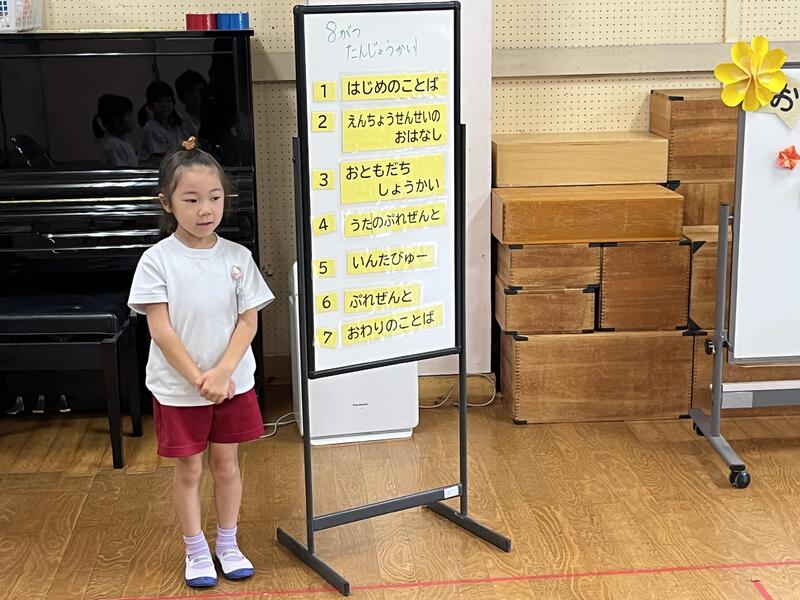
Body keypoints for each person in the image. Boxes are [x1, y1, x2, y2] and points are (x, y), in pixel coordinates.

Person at [128, 137, 273, 588]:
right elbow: (161, 329)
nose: (205, 209)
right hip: (179, 389)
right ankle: (195, 549)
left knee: (227, 466)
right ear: (167, 203)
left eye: (214, 197)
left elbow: (248, 321)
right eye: (191, 199)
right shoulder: (157, 261)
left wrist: (223, 372)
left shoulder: (238, 257)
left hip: (232, 384)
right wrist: (199, 379)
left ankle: (227, 542)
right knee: (189, 468)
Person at [138, 81, 194, 167]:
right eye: (159, 101)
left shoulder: (179, 124)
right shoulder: (151, 128)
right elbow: (163, 157)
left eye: (168, 101)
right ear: (151, 105)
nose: (164, 105)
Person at [92, 94, 138, 168]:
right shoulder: (114, 145)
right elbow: (121, 171)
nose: (132, 119)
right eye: (129, 115)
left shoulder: (123, 142)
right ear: (116, 121)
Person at [175, 69, 207, 136]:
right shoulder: (179, 122)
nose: (197, 97)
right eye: (191, 93)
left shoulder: (213, 115)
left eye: (200, 91)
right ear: (182, 98)